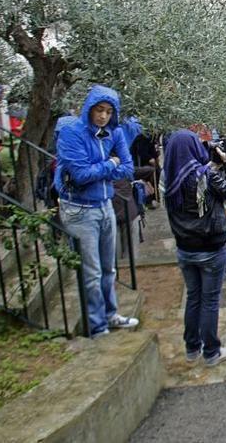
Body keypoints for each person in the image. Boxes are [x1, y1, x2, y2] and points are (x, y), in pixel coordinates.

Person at [55, 85, 138, 338]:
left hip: (105, 206)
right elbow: (80, 176)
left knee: (109, 269)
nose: (103, 116)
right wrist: (110, 163)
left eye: (109, 111)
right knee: (91, 273)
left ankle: (110, 315)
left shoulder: (114, 133)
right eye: (99, 110)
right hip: (80, 210)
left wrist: (104, 167)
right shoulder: (72, 133)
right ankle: (97, 326)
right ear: (89, 108)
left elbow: (128, 168)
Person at [163, 129, 226, 366]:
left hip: (185, 248)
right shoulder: (205, 175)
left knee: (193, 298)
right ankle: (211, 353)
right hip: (210, 249)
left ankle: (192, 348)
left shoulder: (167, 178)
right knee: (209, 301)